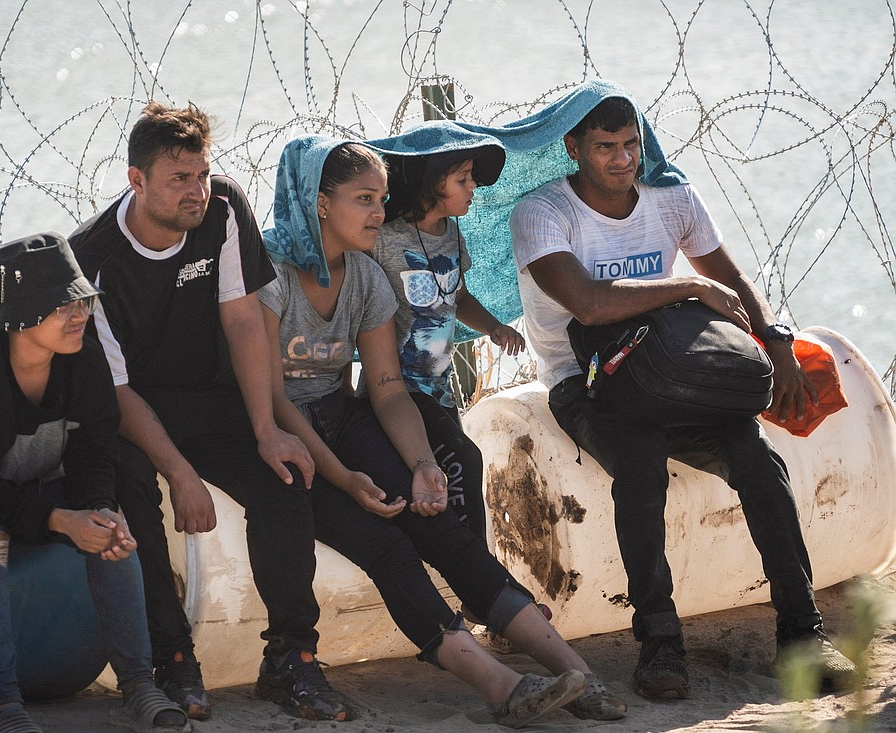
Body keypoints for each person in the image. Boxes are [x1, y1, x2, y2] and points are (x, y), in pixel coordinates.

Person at [258, 135, 628, 724]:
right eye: (363, 200)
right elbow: (270, 398)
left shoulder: (367, 279)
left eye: (381, 198)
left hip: (340, 416)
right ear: (320, 203)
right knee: (388, 546)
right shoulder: (269, 275)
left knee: (443, 528)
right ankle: (499, 685)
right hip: (282, 433)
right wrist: (346, 478)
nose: (379, 213)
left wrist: (422, 462)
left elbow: (385, 387)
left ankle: (576, 674)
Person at [509, 90, 858, 700]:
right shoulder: (543, 213)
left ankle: (803, 634)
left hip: (675, 371)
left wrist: (776, 347)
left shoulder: (671, 197)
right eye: (605, 148)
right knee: (640, 466)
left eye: (631, 145)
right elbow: (588, 304)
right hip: (588, 381)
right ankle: (660, 643)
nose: (622, 160)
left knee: (759, 461)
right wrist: (682, 288)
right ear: (573, 149)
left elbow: (731, 280)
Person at [68, 102, 352, 723]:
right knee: (130, 488)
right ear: (135, 180)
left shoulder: (221, 207)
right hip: (130, 411)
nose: (196, 190)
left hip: (208, 396)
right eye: (178, 179)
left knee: (283, 477)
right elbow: (113, 390)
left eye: (200, 173)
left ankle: (291, 659)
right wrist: (180, 473)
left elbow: (244, 319)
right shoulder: (92, 258)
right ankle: (170, 655)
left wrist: (267, 429)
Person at [0, 233, 188, 733]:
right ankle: (2, 707)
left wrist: (97, 507)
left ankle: (139, 685)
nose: (80, 315)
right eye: (63, 304)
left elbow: (96, 454)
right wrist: (57, 519)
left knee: (112, 531)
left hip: (27, 484)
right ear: (21, 318)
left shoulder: (85, 359)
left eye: (84, 300)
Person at [364, 126, 526, 536]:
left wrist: (493, 327)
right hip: (396, 390)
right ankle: (485, 585)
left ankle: (472, 583)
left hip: (441, 389)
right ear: (433, 183)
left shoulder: (451, 232)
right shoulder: (383, 239)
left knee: (452, 483)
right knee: (465, 462)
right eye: (463, 179)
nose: (473, 187)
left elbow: (459, 295)